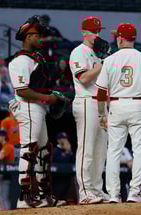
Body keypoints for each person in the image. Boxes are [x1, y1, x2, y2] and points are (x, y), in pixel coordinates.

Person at [95, 22, 141, 203]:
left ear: (120, 38)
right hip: (138, 104)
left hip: (116, 106)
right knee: (139, 149)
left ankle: (114, 194)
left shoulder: (109, 60)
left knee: (114, 151)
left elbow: (100, 92)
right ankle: (135, 192)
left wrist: (102, 114)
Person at [8, 15, 60, 208]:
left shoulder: (36, 58)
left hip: (37, 107)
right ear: (28, 37)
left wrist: (51, 94)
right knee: (28, 150)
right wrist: (48, 98)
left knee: (44, 151)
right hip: (28, 106)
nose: (41, 39)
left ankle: (44, 196)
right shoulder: (20, 60)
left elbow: (37, 86)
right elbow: (22, 90)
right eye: (38, 35)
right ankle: (24, 197)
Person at [69, 16, 108, 205]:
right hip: (85, 101)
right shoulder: (79, 52)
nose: (97, 34)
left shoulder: (97, 54)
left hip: (100, 103)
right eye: (94, 31)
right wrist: (103, 65)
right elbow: (83, 78)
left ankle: (96, 189)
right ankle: (85, 191)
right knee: (87, 149)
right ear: (84, 32)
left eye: (99, 31)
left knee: (100, 150)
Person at [52, 132, 74, 206]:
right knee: (58, 194)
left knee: (66, 195)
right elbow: (60, 160)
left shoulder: (67, 148)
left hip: (67, 175)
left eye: (66, 138)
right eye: (63, 138)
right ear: (58, 140)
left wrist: (69, 151)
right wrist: (67, 152)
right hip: (58, 177)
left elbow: (74, 160)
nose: (65, 140)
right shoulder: (56, 149)